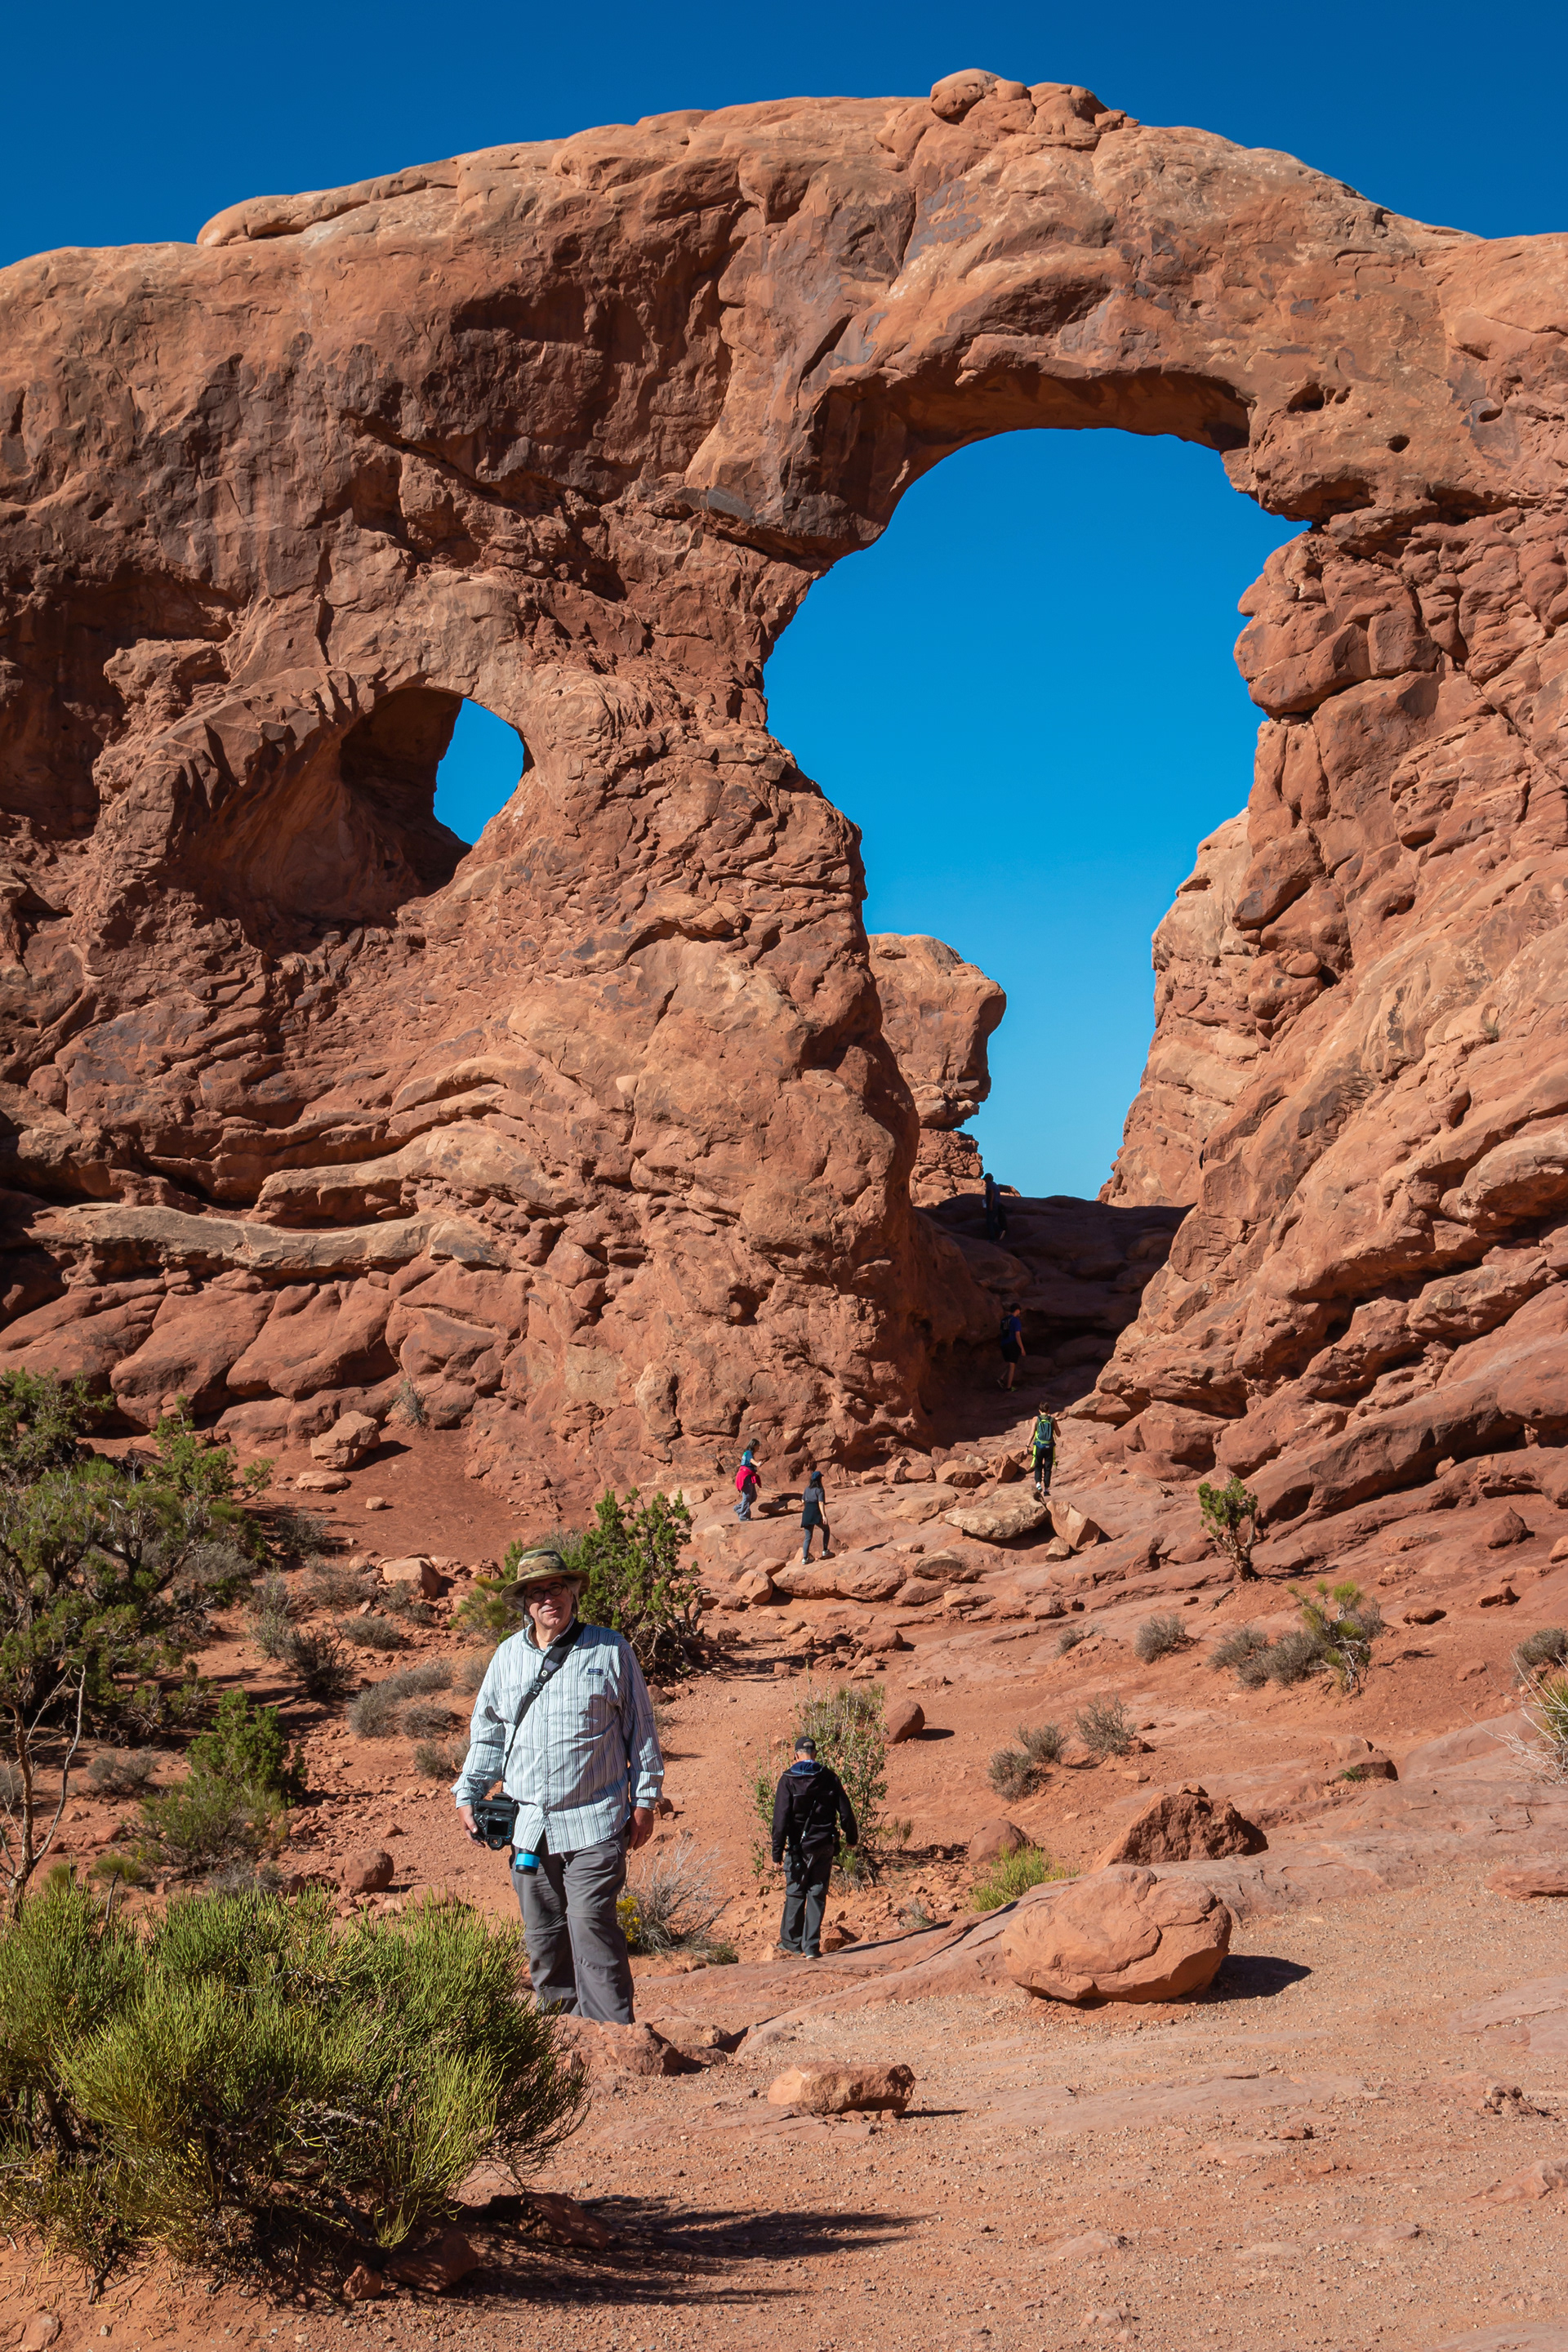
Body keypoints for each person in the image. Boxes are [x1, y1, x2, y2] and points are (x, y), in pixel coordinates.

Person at [453, 1548, 662, 2024]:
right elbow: (488, 1733)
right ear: (525, 1603)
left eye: (558, 1589)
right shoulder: (507, 1657)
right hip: (529, 1828)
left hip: (595, 1819)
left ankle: (613, 2042)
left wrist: (646, 1799)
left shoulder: (610, 1649)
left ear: (574, 1594)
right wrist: (469, 1793)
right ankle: (561, 2045)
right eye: (538, 1592)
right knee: (543, 1938)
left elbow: (641, 1729)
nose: (550, 1599)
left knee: (591, 1927)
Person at [771, 1734, 858, 1958]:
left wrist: (777, 1851)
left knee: (795, 1892)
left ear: (796, 1755)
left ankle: (791, 1944)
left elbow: (780, 1820)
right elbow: (846, 1812)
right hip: (825, 1845)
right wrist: (851, 1838)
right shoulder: (829, 1777)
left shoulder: (788, 1780)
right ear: (815, 1754)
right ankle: (811, 1947)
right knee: (817, 1892)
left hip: (799, 1848)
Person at [800, 1463, 831, 1561]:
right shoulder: (820, 1490)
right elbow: (821, 1502)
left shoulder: (807, 1489)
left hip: (807, 1511)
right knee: (826, 1529)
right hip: (816, 1512)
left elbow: (803, 1501)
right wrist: (824, 1516)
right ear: (819, 1479)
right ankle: (825, 1550)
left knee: (808, 1537)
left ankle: (805, 1559)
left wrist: (807, 1509)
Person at [1030, 1407, 1057, 1499]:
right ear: (1049, 1410)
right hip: (1049, 1446)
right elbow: (1059, 1433)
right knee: (1048, 1468)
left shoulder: (1036, 1419)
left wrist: (1027, 1445)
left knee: (1038, 1466)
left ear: (1039, 1410)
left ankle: (1038, 1484)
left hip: (1039, 1446)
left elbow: (1032, 1433)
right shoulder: (1052, 1419)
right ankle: (1046, 1489)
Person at [998, 1300, 1025, 1392]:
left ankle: (1001, 1378)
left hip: (1003, 1344)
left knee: (1010, 1363)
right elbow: (1017, 1335)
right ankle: (1009, 1387)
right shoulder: (1016, 1321)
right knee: (1012, 1365)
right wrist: (1022, 1348)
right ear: (1017, 1310)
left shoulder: (1003, 1320)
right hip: (1011, 1344)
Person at [734, 1444, 761, 1521]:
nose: (758, 1448)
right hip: (745, 1476)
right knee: (747, 1496)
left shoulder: (747, 1452)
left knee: (753, 1496)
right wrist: (757, 1464)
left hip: (747, 1475)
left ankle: (738, 1508)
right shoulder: (749, 1452)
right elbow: (751, 1460)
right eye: (758, 1446)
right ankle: (743, 1516)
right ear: (754, 1445)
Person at [983, 1172, 1009, 1245]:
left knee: (989, 1221)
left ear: (988, 1179)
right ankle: (1000, 1231)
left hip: (993, 1204)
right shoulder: (996, 1185)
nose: (985, 1181)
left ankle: (994, 1237)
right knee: (990, 1221)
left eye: (986, 1179)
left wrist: (990, 1204)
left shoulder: (990, 1185)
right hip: (997, 1204)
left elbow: (991, 1193)